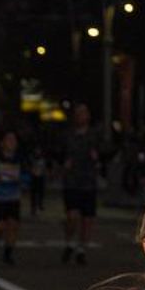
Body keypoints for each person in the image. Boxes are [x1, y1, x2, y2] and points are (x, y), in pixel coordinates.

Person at [62, 103, 103, 265]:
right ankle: (69, 243)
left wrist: (97, 157)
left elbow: (104, 151)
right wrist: (64, 163)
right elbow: (58, 152)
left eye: (84, 113)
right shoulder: (68, 135)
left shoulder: (94, 135)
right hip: (72, 181)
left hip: (89, 181)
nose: (81, 116)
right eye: (78, 113)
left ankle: (81, 249)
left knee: (87, 219)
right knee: (72, 216)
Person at [0, 130, 28, 265]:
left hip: (13, 196)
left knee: (13, 225)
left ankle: (8, 253)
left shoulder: (20, 159)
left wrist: (22, 179)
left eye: (14, 140)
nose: (11, 143)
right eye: (8, 140)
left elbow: (29, 175)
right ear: (2, 143)